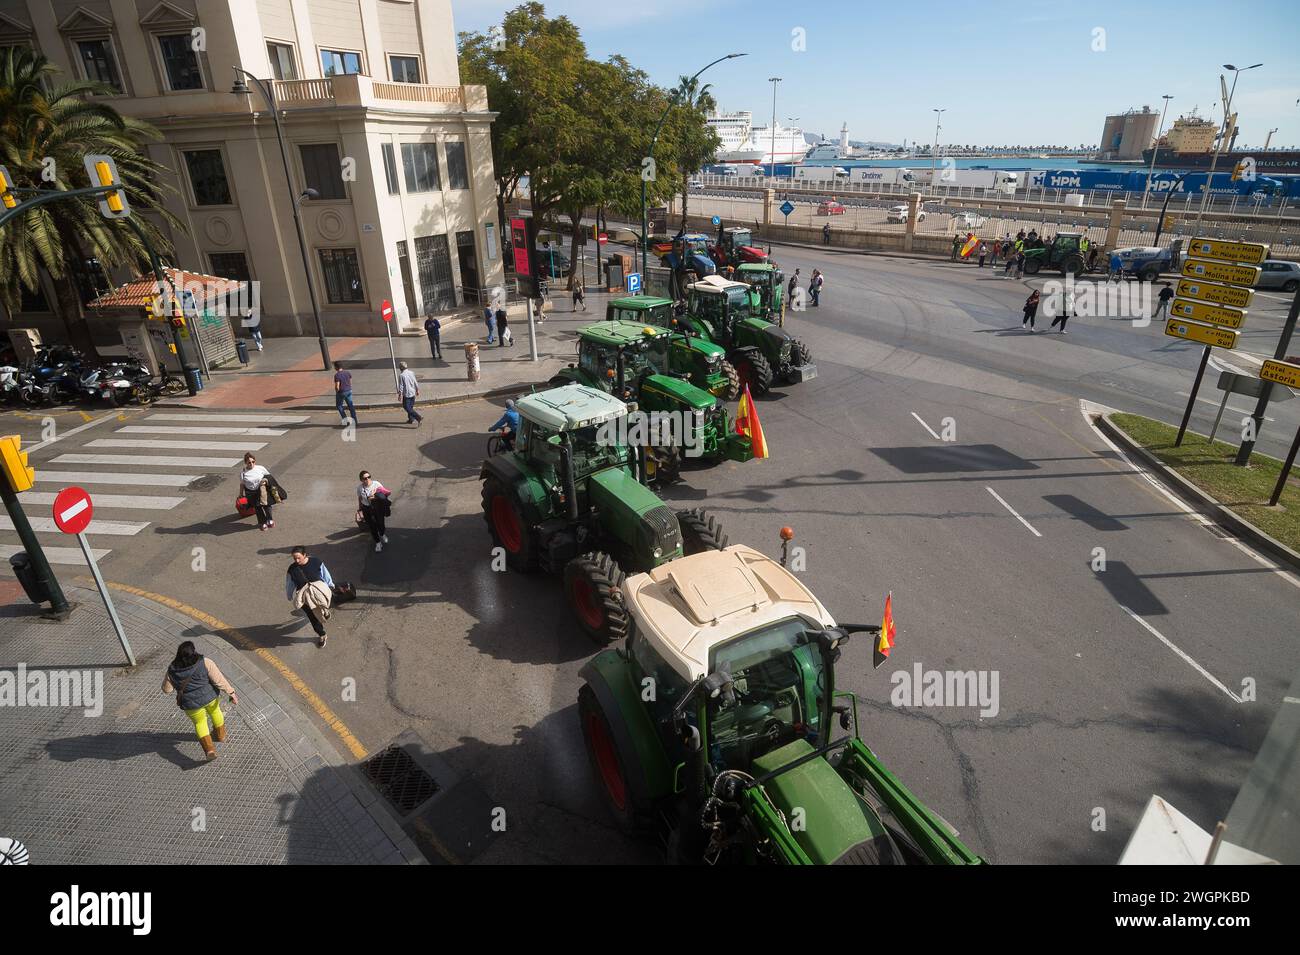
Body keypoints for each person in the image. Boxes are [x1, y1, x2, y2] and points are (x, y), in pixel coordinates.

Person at [163, 641, 238, 761]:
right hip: (210, 697)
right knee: (216, 713)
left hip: (191, 704)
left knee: (200, 723)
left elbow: (167, 690)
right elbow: (219, 680)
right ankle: (221, 736)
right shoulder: (205, 662)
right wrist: (231, 693)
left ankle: (209, 750)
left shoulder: (172, 670)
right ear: (193, 652)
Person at [286, 546, 336, 648]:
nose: (296, 560)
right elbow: (289, 584)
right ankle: (322, 634)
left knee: (324, 604)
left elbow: (325, 574)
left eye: (298, 557)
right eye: (294, 558)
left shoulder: (316, 562)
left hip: (319, 591)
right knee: (313, 616)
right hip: (305, 598)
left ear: (305, 555)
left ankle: (325, 611)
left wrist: (330, 585)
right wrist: (289, 595)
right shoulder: (292, 570)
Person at [357, 471, 391, 552]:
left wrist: (374, 496)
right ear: (361, 480)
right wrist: (360, 508)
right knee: (372, 527)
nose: (368, 479)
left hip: (377, 508)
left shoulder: (376, 484)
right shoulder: (360, 488)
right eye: (365, 478)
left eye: (369, 477)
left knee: (381, 524)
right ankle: (378, 543)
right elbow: (360, 498)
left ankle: (382, 534)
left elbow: (386, 494)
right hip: (366, 509)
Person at [240, 452, 274, 530]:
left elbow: (269, 477)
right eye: (249, 462)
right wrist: (241, 494)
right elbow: (242, 484)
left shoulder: (260, 468)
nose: (251, 464)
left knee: (267, 505)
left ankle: (270, 519)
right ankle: (263, 522)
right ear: (246, 463)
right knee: (258, 508)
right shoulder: (243, 473)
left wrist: (265, 481)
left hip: (262, 490)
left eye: (253, 461)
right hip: (251, 493)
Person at [333, 361, 356, 426]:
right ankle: (355, 422)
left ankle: (346, 421)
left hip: (341, 392)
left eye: (334, 366)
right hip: (349, 390)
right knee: (351, 406)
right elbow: (350, 382)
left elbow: (337, 386)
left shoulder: (337, 375)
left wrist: (337, 392)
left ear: (336, 367)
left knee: (339, 406)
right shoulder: (347, 372)